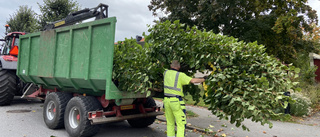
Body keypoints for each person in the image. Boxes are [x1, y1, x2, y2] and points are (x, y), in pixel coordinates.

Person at [163, 60, 205, 137]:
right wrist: (204, 79)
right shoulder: (180, 75)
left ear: (171, 66)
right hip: (176, 102)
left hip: (166, 101)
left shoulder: (166, 73)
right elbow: (193, 80)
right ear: (179, 66)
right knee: (181, 124)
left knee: (170, 124)